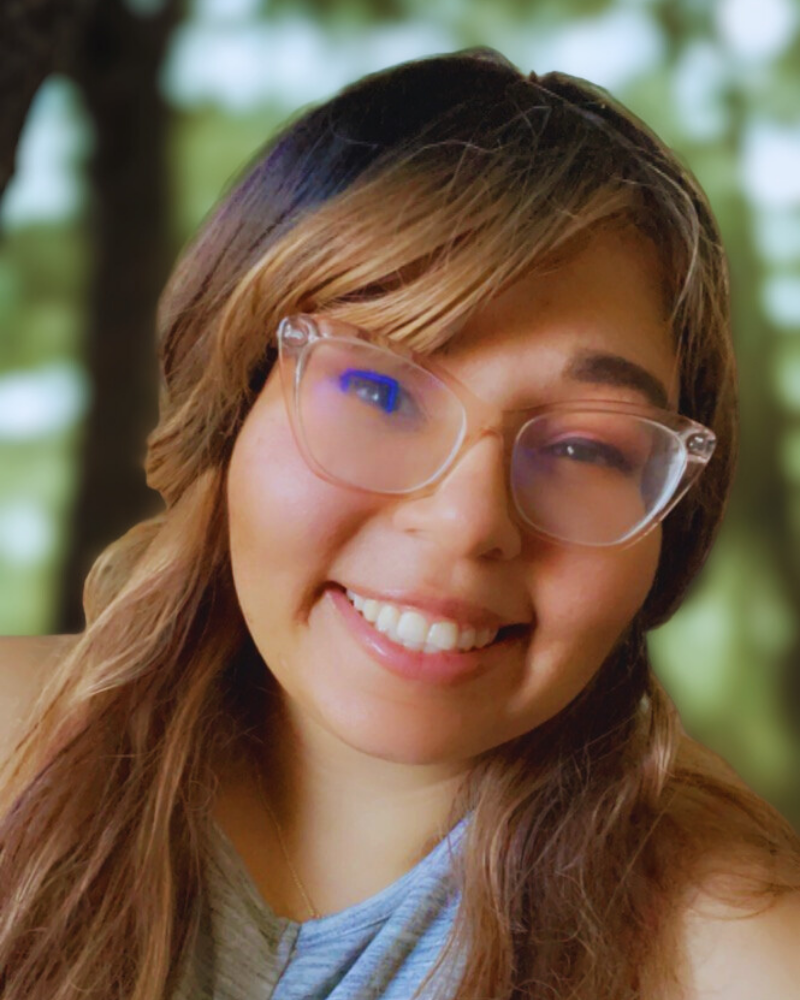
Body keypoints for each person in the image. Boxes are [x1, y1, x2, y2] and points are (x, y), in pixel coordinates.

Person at [0, 46, 798, 1000]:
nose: (466, 524)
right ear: (233, 401)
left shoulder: (741, 956)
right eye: (379, 388)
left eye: (587, 448)